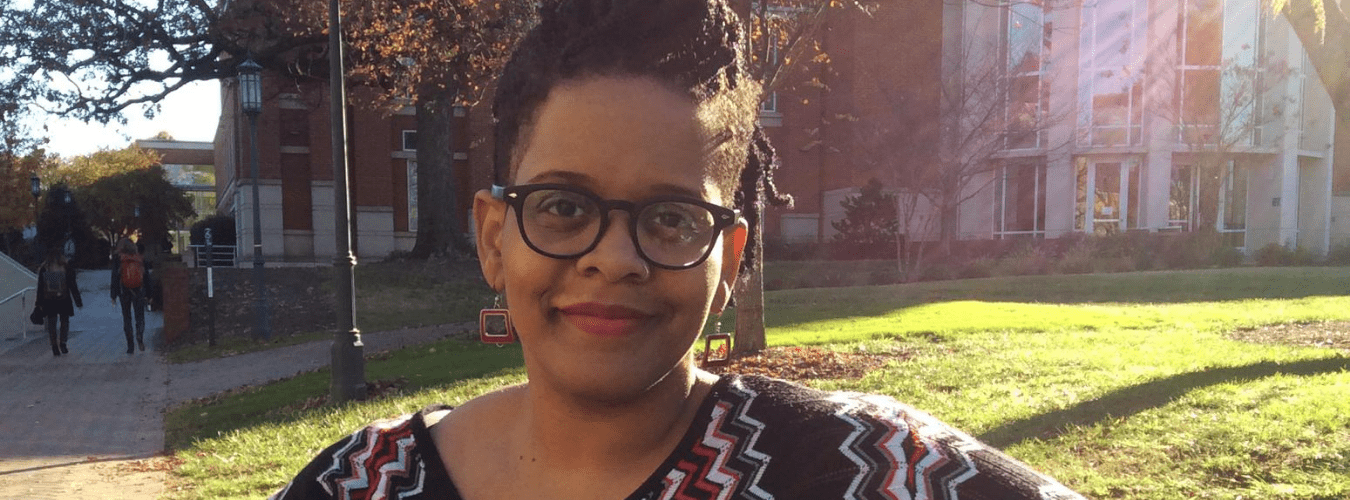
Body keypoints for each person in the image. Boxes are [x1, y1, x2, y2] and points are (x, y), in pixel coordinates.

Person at [271, 1, 1086, 498]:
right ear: (493, 237)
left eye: (669, 219)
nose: (614, 258)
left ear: (730, 259)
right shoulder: (360, 483)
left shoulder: (866, 470)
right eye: (563, 206)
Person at [36, 249, 82, 356]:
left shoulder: (44, 268)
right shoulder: (66, 266)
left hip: (49, 300)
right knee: (64, 321)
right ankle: (63, 342)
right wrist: (78, 300)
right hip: (64, 298)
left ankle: (54, 346)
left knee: (52, 323)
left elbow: (40, 288)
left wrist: (39, 302)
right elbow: (72, 285)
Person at [110, 237, 149, 354]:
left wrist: (113, 295)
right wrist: (149, 293)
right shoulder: (139, 257)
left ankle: (130, 346)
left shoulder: (119, 259)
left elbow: (115, 277)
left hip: (124, 291)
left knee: (127, 318)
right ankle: (139, 334)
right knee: (140, 315)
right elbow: (146, 276)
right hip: (138, 290)